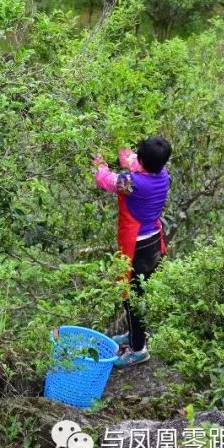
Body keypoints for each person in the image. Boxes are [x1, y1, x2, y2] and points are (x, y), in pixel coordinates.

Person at [93, 137, 172, 368]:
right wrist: (120, 143)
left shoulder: (132, 183)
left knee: (132, 299)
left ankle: (138, 350)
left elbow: (105, 179)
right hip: (154, 243)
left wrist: (100, 164)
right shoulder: (163, 175)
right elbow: (132, 161)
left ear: (143, 160)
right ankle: (133, 336)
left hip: (137, 247)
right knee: (140, 293)